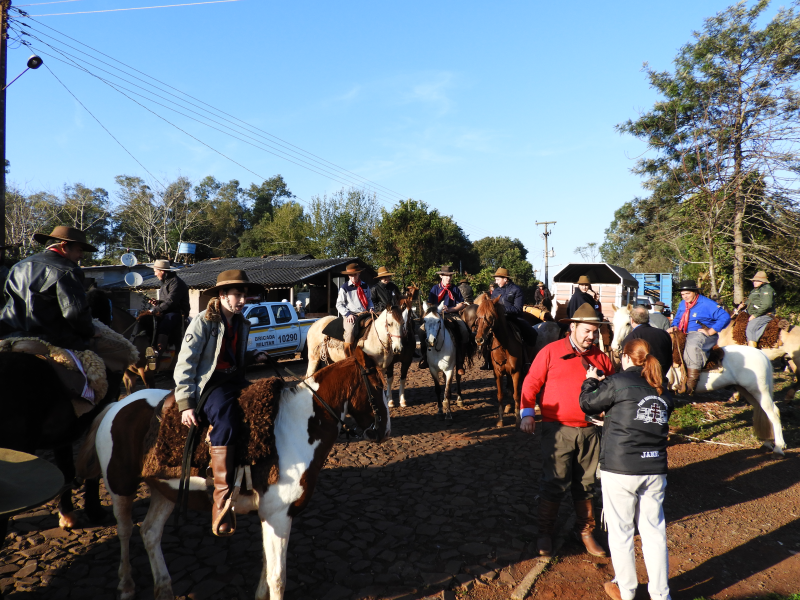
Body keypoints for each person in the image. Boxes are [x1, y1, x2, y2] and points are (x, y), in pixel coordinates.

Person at [176, 270, 269, 537]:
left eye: (244, 295)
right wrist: (186, 403)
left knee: (266, 403)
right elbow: (186, 364)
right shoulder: (202, 322)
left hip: (234, 380)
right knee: (227, 421)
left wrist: (252, 356)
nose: (242, 300)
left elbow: (232, 357)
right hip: (210, 386)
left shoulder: (241, 322)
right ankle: (221, 501)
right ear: (222, 295)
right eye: (237, 295)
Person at [579, 338, 674, 600]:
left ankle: (626, 589)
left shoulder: (617, 381)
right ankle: (660, 594)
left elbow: (587, 403)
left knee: (621, 533)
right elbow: (644, 418)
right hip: (655, 468)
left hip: (621, 468)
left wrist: (591, 380)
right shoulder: (661, 388)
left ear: (627, 357)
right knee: (654, 532)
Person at [520, 303, 614, 558]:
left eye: (594, 332)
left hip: (590, 431)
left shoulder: (602, 358)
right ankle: (545, 533)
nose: (591, 337)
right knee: (554, 481)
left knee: (586, 483)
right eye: (586, 331)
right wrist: (527, 413)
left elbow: (613, 392)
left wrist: (608, 412)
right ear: (572, 327)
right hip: (558, 429)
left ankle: (586, 532)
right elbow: (531, 382)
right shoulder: (550, 352)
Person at [0, 226, 131, 392]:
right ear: (63, 245)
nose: (81, 255)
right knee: (122, 350)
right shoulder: (68, 269)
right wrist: (91, 330)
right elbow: (74, 313)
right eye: (79, 250)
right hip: (54, 338)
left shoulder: (17, 266)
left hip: (11, 336)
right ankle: (99, 400)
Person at [667, 279, 731, 395]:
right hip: (684, 332)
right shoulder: (683, 304)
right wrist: (674, 326)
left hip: (701, 334)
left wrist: (711, 331)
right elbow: (677, 318)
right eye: (682, 294)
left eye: (688, 293)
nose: (685, 296)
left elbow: (725, 316)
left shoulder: (707, 303)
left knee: (692, 346)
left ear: (695, 292)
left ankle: (691, 384)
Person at [419, 265, 468, 372]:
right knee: (421, 331)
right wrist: (437, 309)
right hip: (436, 315)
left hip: (452, 315)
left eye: (450, 276)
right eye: (446, 276)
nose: (448, 278)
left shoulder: (455, 288)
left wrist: (450, 309)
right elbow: (430, 304)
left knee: (464, 331)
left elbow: (462, 304)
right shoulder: (435, 288)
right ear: (441, 276)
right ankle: (425, 358)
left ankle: (460, 363)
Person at [145, 259, 189, 368]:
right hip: (168, 309)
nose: (155, 274)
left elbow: (171, 303)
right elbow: (166, 301)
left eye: (156, 271)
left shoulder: (176, 283)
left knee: (165, 322)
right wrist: (158, 302)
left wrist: (154, 310)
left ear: (162, 271)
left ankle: (159, 351)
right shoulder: (166, 283)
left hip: (177, 312)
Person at [491, 267, 538, 349]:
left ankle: (527, 355)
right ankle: (487, 359)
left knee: (532, 333)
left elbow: (518, 308)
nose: (496, 282)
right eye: (496, 279)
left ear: (505, 279)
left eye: (498, 279)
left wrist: (502, 310)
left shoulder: (516, 290)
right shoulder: (495, 291)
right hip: (498, 318)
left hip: (514, 318)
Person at [621, 306, 673, 377]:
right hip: (660, 379)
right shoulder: (664, 334)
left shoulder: (631, 338)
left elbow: (626, 364)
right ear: (648, 319)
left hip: (638, 381)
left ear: (632, 320)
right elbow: (669, 360)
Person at [335, 263, 373, 358]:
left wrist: (371, 308)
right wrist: (348, 314)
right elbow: (339, 304)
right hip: (351, 314)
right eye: (351, 275)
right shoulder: (344, 287)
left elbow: (369, 300)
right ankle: (348, 356)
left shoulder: (365, 286)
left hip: (365, 313)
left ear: (359, 274)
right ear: (348, 275)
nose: (353, 277)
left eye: (355, 274)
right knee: (350, 332)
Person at [737, 271, 775, 348]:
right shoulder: (755, 290)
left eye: (757, 281)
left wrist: (755, 315)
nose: (755, 282)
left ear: (763, 281)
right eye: (754, 280)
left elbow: (766, 305)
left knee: (751, 328)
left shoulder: (766, 290)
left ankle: (753, 352)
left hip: (764, 315)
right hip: (754, 314)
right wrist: (743, 305)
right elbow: (751, 301)